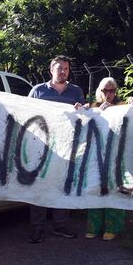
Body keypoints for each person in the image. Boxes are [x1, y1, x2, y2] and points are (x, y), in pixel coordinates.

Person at [26, 55, 86, 243]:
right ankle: (37, 228)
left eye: (66, 69)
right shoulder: (37, 91)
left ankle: (61, 225)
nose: (63, 72)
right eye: (59, 68)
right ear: (51, 70)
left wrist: (82, 109)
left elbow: (85, 116)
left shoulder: (76, 92)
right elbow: (25, 113)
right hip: (41, 148)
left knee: (62, 186)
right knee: (39, 187)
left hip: (66, 147)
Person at [85, 77, 126, 241]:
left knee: (114, 190)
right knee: (95, 189)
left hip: (117, 156)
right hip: (96, 157)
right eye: (105, 90)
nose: (108, 94)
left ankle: (113, 227)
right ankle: (94, 226)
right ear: (99, 92)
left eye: (112, 90)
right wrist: (89, 111)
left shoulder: (122, 106)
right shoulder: (93, 107)